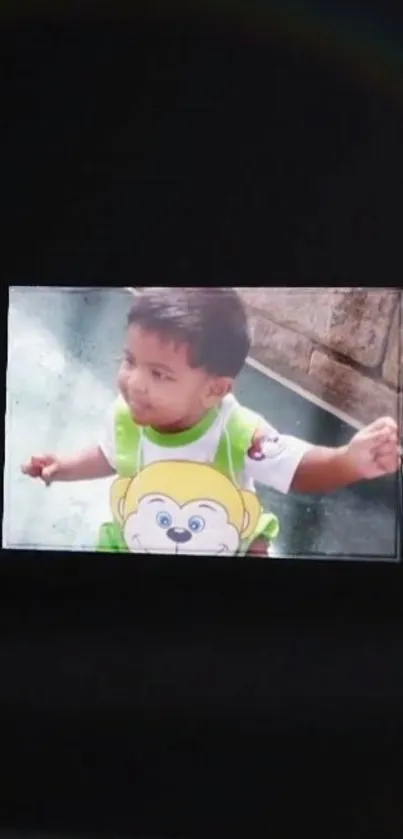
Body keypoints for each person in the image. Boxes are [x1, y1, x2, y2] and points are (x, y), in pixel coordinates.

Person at [21, 287, 400, 557]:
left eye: (159, 374)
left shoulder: (239, 433)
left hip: (221, 543)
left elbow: (297, 468)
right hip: (138, 537)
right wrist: (63, 467)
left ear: (214, 390)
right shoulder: (126, 416)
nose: (134, 383)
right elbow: (110, 454)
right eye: (130, 361)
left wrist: (348, 461)